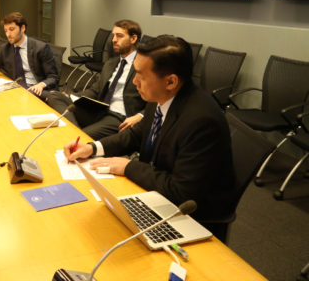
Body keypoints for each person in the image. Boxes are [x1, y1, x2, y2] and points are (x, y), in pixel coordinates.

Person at [63, 35, 235, 228]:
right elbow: (136, 135)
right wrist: (92, 148)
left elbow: (181, 192)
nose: (134, 81)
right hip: (156, 192)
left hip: (191, 218)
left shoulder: (201, 120)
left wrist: (128, 167)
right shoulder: (161, 96)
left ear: (170, 82)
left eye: (141, 75)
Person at [47, 19, 146, 139]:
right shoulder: (111, 63)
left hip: (118, 116)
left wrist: (141, 115)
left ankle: (76, 136)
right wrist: (72, 97)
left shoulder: (143, 65)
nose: (114, 40)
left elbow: (156, 99)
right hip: (99, 110)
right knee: (55, 96)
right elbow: (96, 89)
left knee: (81, 137)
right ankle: (75, 133)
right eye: (113, 35)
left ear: (133, 39)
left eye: (119, 36)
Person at [0, 12, 58, 100]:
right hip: (17, 90)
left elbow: (53, 77)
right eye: (6, 31)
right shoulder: (6, 49)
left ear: (22, 28)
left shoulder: (40, 48)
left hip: (37, 91)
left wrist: (41, 85)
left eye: (11, 29)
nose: (8, 34)